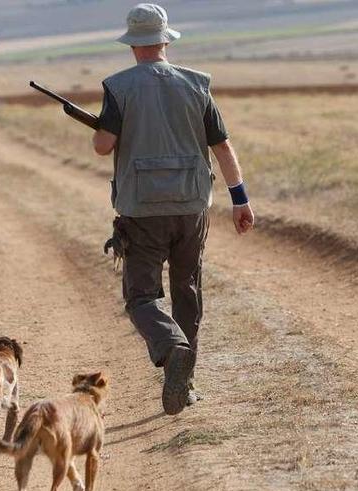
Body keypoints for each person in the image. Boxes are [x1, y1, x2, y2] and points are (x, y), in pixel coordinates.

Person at [92, 3, 255, 415]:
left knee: (141, 297)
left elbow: (102, 146)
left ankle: (171, 347)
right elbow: (222, 146)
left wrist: (107, 124)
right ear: (165, 40)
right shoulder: (197, 84)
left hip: (142, 210)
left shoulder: (118, 87)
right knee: (187, 290)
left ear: (132, 45)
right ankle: (188, 382)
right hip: (191, 205)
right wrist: (240, 199)